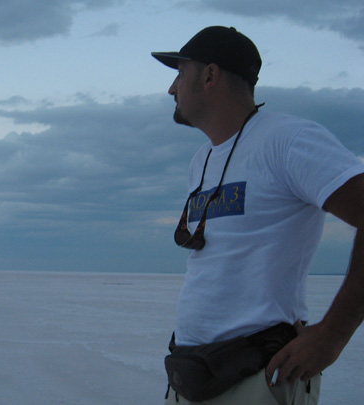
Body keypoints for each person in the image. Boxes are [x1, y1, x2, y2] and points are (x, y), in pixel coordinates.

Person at [151, 26, 364, 404]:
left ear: (210, 75)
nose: (172, 88)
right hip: (192, 372)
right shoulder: (202, 159)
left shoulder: (288, 140)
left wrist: (333, 335)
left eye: (180, 73)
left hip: (258, 376)